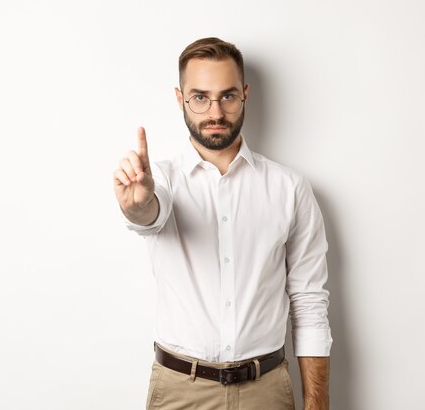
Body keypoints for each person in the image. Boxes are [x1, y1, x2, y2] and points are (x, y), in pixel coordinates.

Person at [113, 37, 332, 410]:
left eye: (227, 96)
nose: (215, 111)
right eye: (200, 97)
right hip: (181, 390)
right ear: (180, 99)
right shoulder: (161, 181)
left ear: (244, 94)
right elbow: (149, 215)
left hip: (266, 390)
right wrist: (137, 205)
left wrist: (317, 402)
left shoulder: (289, 188)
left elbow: (309, 301)